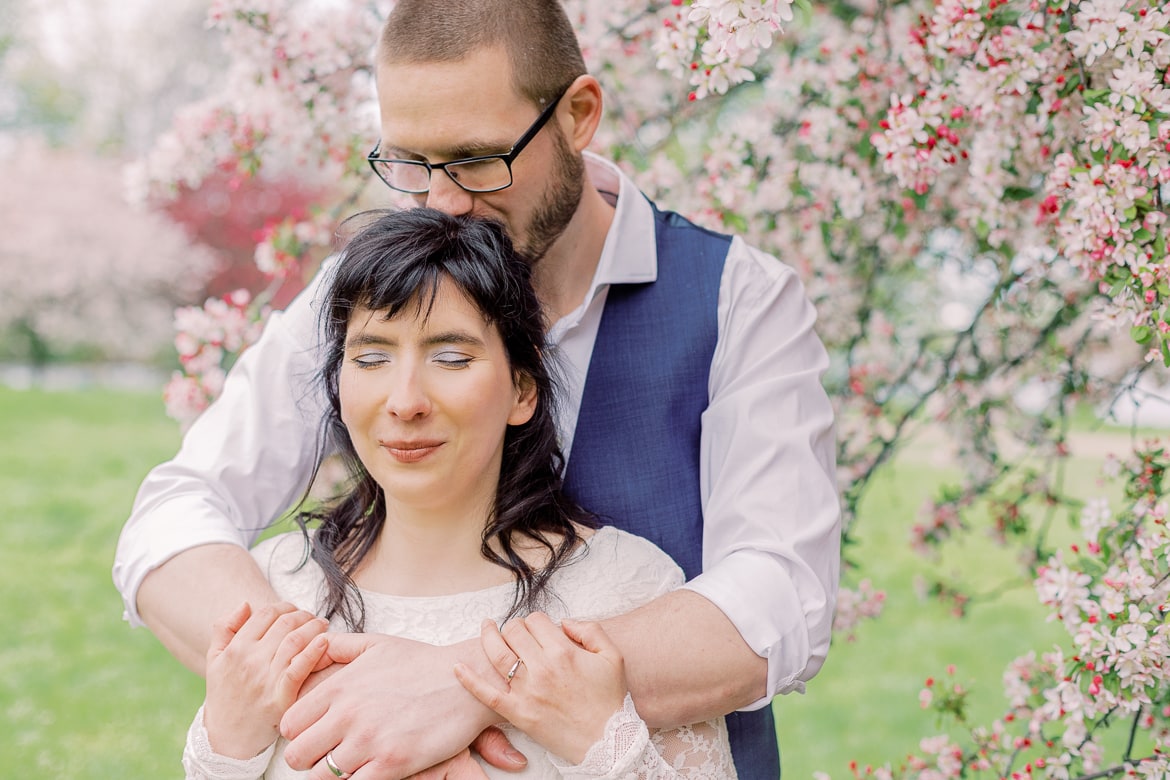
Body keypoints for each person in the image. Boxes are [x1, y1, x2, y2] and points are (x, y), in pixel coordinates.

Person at [114, 1, 841, 777]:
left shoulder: (737, 298)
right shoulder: (364, 295)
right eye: (411, 165)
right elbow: (177, 513)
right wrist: (332, 687)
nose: (444, 203)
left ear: (579, 115)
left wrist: (469, 684)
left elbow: (782, 595)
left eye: (475, 161)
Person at [181, 208, 739, 779]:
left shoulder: (627, 591)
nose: (405, 401)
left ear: (523, 389)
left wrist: (604, 747)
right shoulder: (274, 601)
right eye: (371, 357)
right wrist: (225, 749)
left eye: (450, 358)